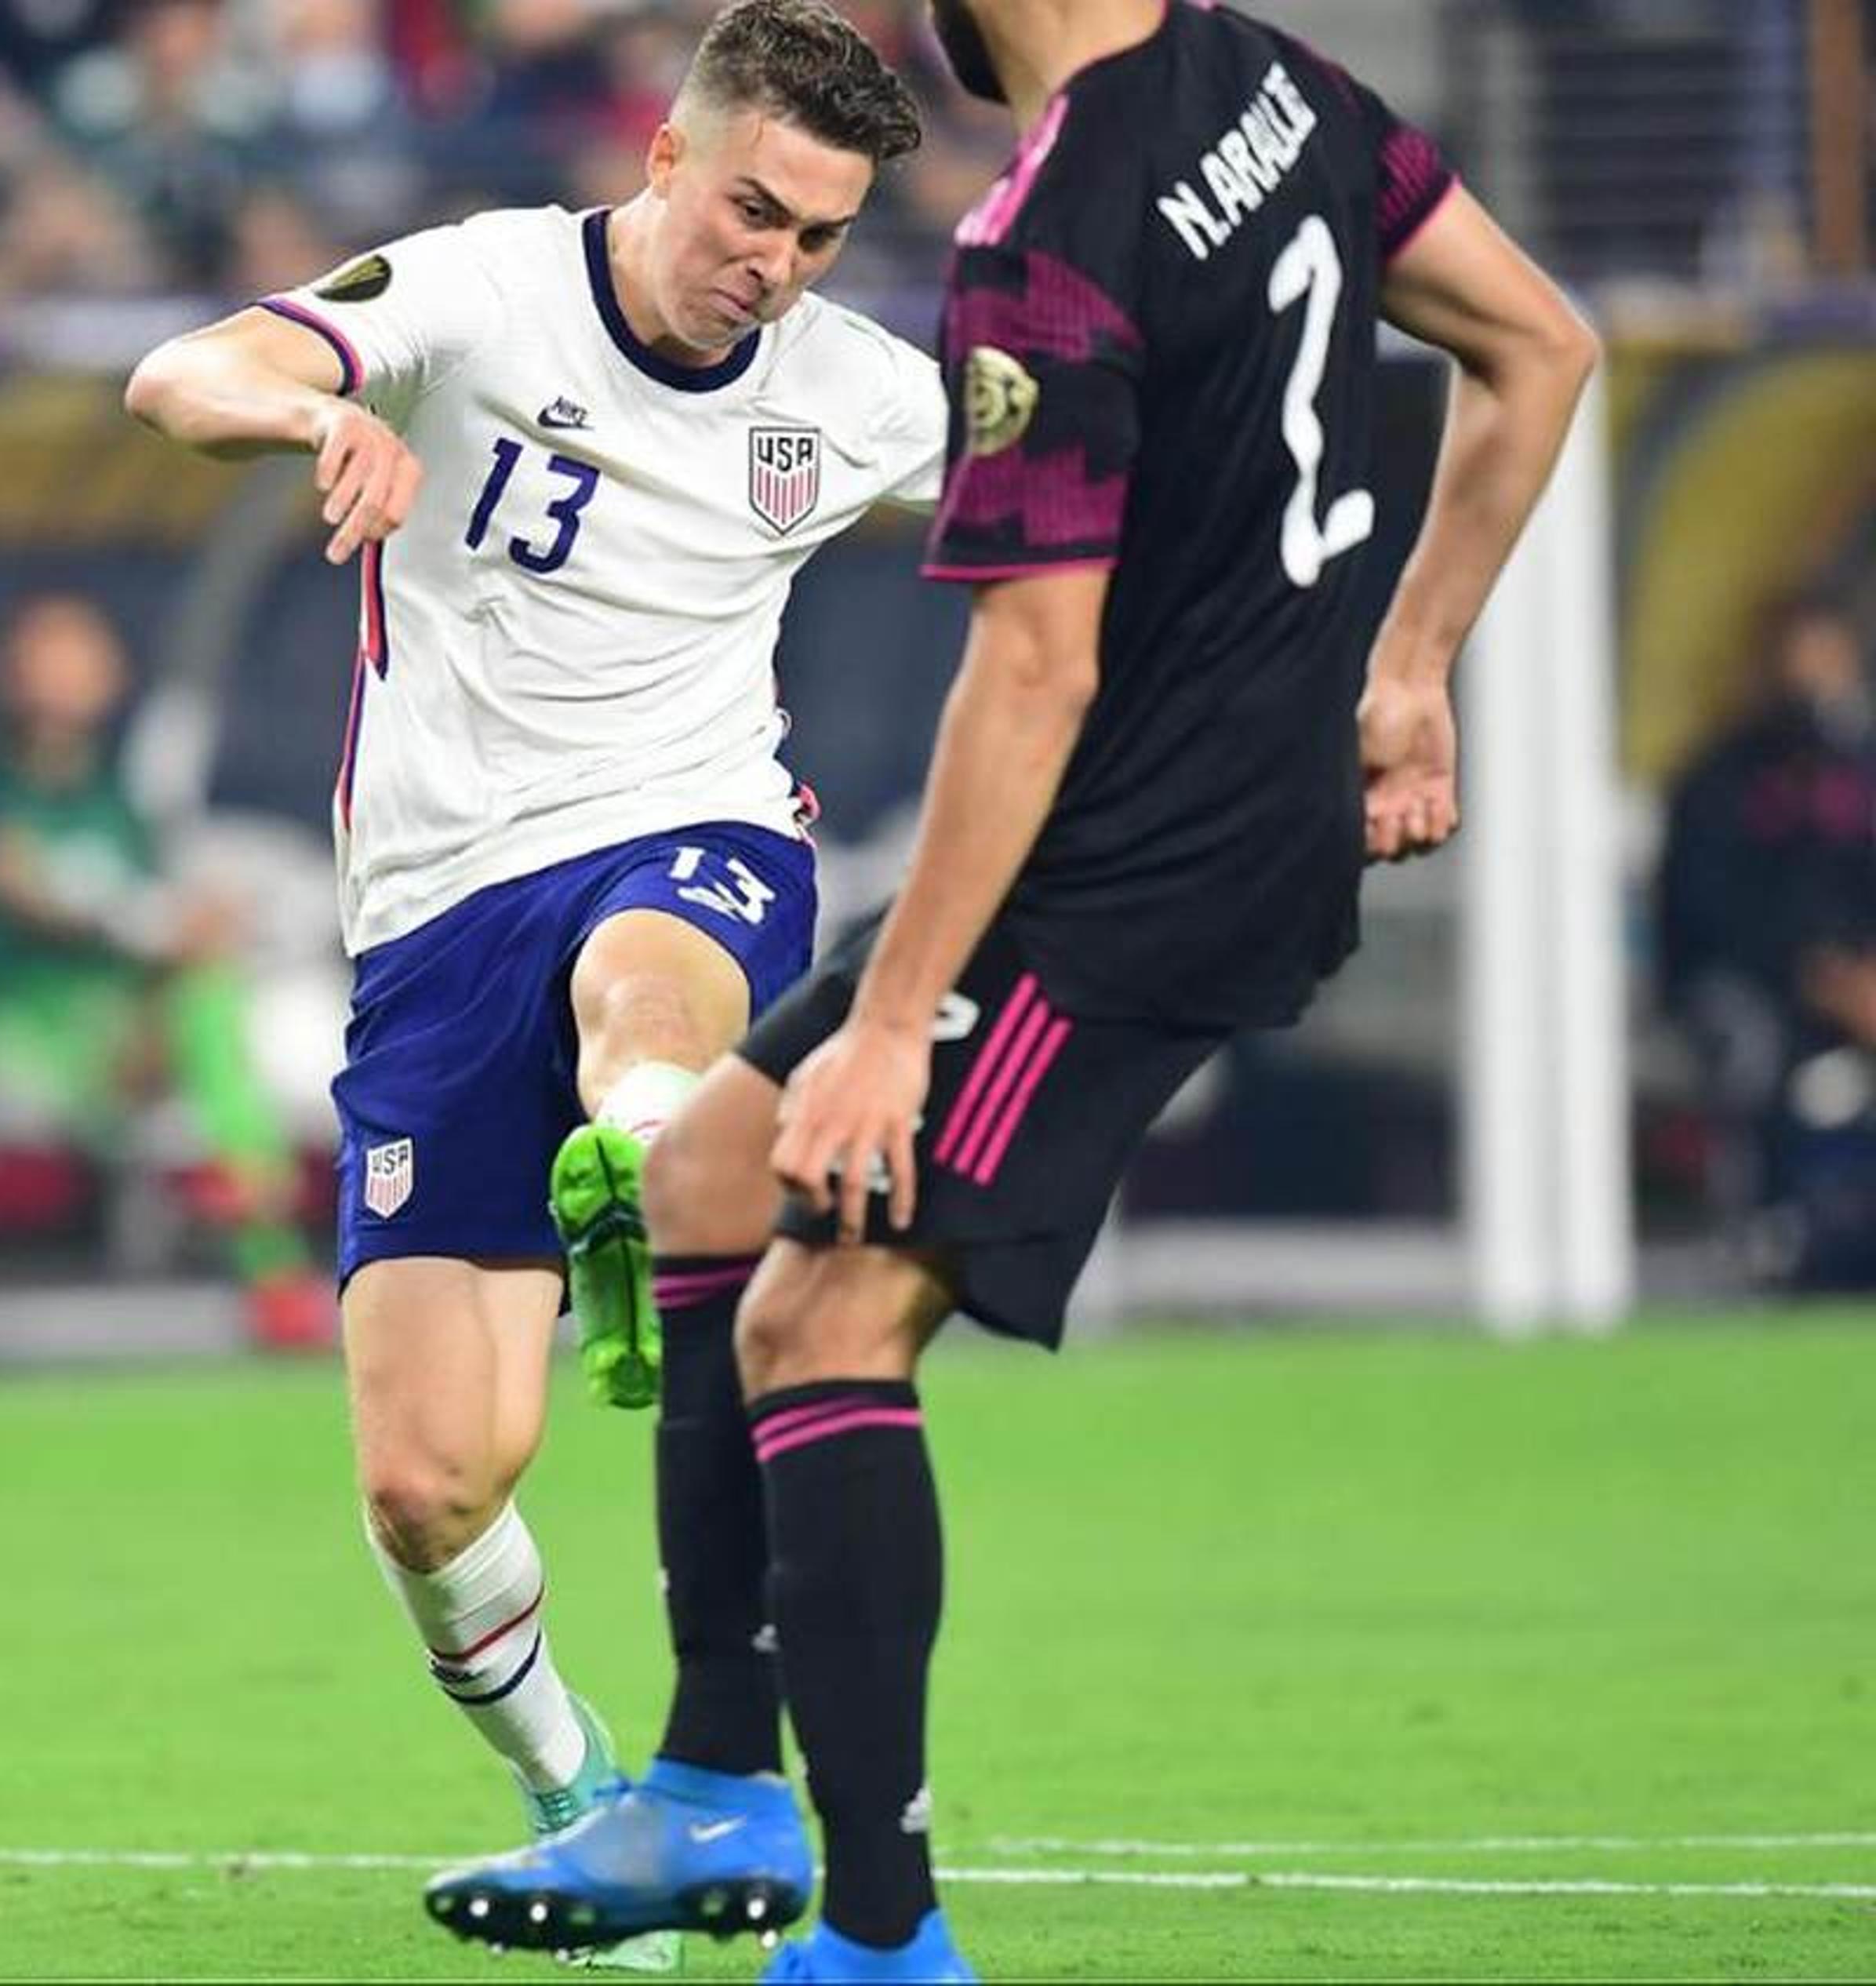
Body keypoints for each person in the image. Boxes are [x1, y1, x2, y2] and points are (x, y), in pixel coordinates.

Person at [424, 1, 1598, 1978]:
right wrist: (1409, 661)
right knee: (714, 1168)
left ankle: (881, 1944)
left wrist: (891, 1022)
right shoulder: (1283, 86)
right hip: (1187, 815)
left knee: (816, 1319)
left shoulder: (1048, 230)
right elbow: (1540, 341)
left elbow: (1034, 671)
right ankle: (716, 1785)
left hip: (1142, 863)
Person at [125, 0, 944, 1957]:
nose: (777, 261)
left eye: (819, 236)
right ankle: (576, 1781)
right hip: (426, 917)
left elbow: (1093, 505)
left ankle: (657, 1168)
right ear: (664, 156)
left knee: (638, 1002)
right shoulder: (485, 286)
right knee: (423, 1486)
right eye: (755, 207)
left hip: (691, 836)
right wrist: (314, 410)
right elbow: (179, 369)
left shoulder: (857, 389)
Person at [0, 589, 337, 1349]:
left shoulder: (117, 794)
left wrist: (196, 922)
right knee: (204, 1010)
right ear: (9, 672)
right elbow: (21, 888)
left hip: (122, 1032)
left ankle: (255, 1218)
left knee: (210, 1000)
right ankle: (263, 1228)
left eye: (85, 654)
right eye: (51, 653)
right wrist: (155, 930)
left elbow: (158, 901)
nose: (71, 673)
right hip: (19, 1024)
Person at [1659, 592, 1876, 1284]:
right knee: (1755, 1049)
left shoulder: (1861, 773)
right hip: (1758, 987)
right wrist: (1824, 979)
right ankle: (1769, 1233)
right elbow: (1711, 910)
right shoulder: (1721, 780)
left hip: (1860, 986)